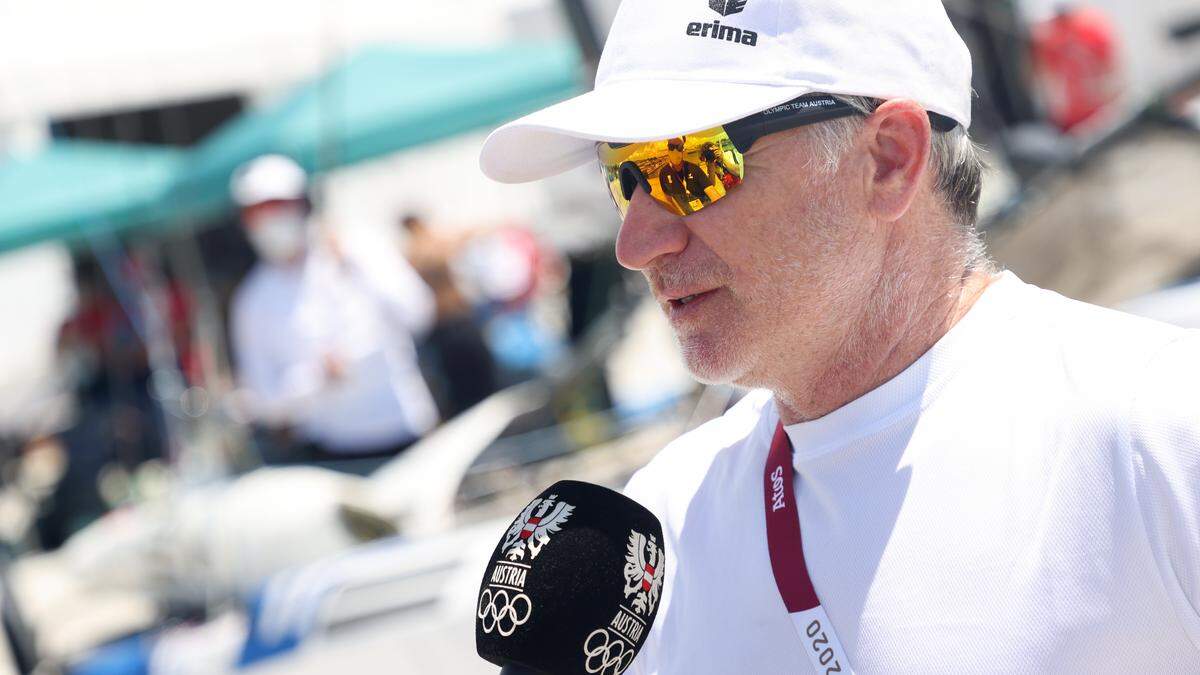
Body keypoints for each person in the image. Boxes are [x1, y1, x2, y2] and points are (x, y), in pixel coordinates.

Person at [479, 0, 1200, 672]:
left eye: (686, 168)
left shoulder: (1158, 431)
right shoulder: (662, 518)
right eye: (624, 176)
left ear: (889, 159)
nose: (636, 242)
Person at [228, 155, 438, 464]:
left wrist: (357, 262)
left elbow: (418, 314)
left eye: (278, 208)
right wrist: (316, 378)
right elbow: (262, 399)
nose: (269, 221)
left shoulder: (360, 248)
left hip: (407, 433)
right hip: (330, 452)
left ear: (304, 205)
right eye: (257, 213)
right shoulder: (252, 300)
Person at [400, 213, 499, 417]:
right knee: (474, 380)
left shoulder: (410, 254)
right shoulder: (429, 247)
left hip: (444, 323)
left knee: (462, 383)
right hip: (453, 319)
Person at [657, 138, 713, 214]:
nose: (675, 151)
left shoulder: (694, 168)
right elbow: (668, 198)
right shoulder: (663, 173)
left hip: (706, 210)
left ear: (683, 149)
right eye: (671, 147)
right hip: (688, 215)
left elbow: (711, 191)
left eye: (679, 147)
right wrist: (679, 215)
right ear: (668, 149)